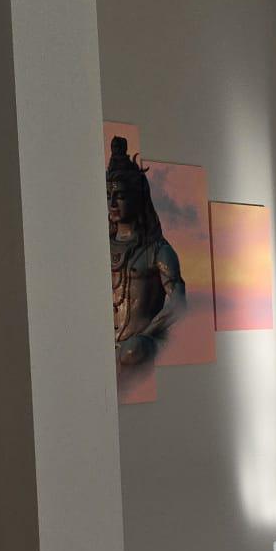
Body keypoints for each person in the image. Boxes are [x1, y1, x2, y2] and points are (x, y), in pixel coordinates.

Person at [107, 136, 184, 391]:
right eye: (109, 195)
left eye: (120, 195)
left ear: (137, 198)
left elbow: (178, 303)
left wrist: (147, 335)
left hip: (138, 346)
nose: (112, 203)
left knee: (132, 351)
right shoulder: (101, 249)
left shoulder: (158, 250)